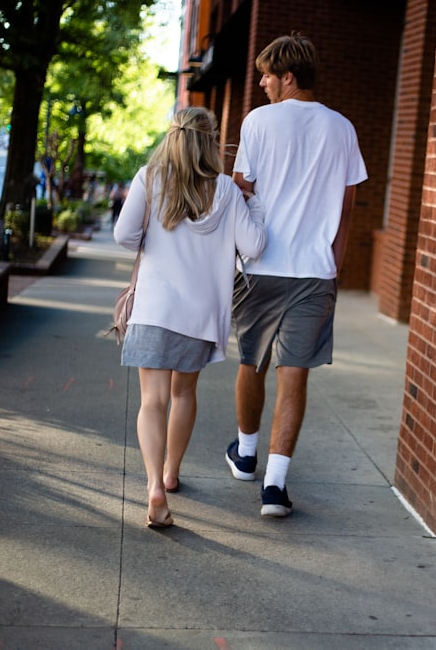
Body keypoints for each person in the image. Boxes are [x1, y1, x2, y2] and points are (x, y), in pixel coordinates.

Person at [225, 33, 367, 517]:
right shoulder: (343, 128)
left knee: (252, 362)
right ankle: (275, 488)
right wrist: (334, 270)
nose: (262, 82)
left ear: (289, 76)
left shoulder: (258, 123)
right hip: (314, 273)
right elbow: (347, 209)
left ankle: (246, 455)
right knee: (295, 375)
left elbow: (242, 190)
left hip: (262, 266)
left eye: (267, 74)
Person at [114, 107, 267, 529]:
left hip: (155, 309)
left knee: (152, 401)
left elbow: (123, 235)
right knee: (182, 395)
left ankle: (153, 487)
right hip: (200, 316)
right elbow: (253, 247)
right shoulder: (227, 192)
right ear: (211, 141)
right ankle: (170, 472)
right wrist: (256, 209)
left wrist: (154, 243)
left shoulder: (151, 177)